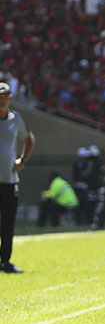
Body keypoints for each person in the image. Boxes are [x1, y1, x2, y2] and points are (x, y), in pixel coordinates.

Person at [0, 81, 35, 273]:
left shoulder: (16, 119)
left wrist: (22, 159)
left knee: (8, 222)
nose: (2, 100)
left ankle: (5, 261)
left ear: (10, 98)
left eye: (5, 97)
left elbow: (29, 139)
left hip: (9, 180)